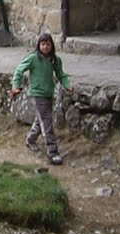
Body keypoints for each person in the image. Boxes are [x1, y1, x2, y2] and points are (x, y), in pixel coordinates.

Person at [9, 33, 73, 165]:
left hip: (48, 93)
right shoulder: (33, 58)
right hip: (37, 94)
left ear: (52, 46)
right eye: (43, 44)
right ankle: (52, 151)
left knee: (41, 120)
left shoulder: (55, 60)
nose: (45, 47)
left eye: (48, 44)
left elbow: (61, 74)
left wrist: (67, 85)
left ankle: (30, 140)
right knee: (46, 121)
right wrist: (16, 86)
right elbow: (19, 71)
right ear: (38, 45)